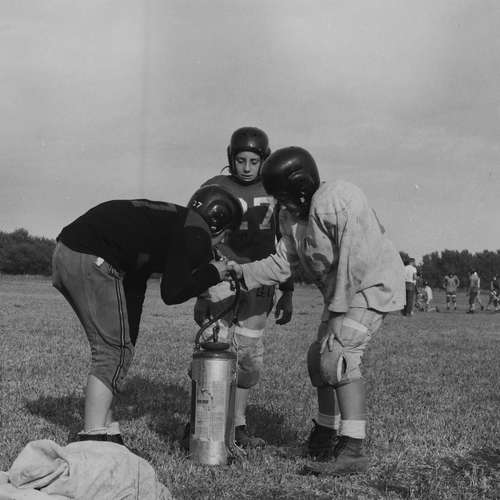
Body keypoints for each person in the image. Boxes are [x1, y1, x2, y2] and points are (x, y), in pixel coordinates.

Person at [227, 147, 405, 475]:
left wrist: (337, 313)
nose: (281, 203)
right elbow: (283, 263)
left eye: (283, 195)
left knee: (338, 356)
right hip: (342, 292)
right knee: (317, 359)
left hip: (370, 285)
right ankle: (325, 435)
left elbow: (354, 259)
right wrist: (243, 273)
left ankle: (353, 448)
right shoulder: (292, 216)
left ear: (300, 185)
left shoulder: (337, 199)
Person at [52, 186, 242, 445]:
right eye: (225, 236)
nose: (220, 243)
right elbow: (172, 292)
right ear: (219, 226)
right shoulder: (198, 231)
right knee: (111, 352)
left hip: (68, 252)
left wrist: (128, 341)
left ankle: (107, 432)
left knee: (116, 349)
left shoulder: (176, 222)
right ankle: (94, 439)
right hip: (89, 256)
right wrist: (213, 272)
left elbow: (135, 278)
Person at [192, 127, 294, 448]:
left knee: (248, 352)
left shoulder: (275, 191)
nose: (247, 168)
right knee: (213, 344)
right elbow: (197, 239)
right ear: (230, 158)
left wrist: (288, 291)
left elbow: (286, 243)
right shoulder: (215, 187)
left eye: (253, 161)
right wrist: (201, 290)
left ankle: (237, 424)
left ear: (264, 160)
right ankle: (203, 418)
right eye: (240, 160)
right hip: (221, 276)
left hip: (260, 278)